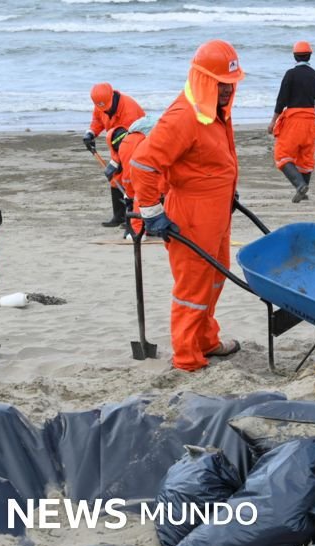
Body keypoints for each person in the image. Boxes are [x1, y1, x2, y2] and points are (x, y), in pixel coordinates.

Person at [128, 40, 244, 372]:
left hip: (217, 212)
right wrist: (152, 212)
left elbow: (215, 160)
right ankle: (186, 357)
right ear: (203, 79)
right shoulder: (184, 116)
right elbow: (143, 164)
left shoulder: (216, 111)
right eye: (221, 84)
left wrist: (231, 191)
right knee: (192, 288)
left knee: (217, 277)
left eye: (231, 84)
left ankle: (206, 340)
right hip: (191, 215)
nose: (227, 90)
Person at [268, 41, 315, 204]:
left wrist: (273, 121)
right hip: (310, 121)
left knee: (282, 155)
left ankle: (300, 185)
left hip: (293, 121)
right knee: (306, 157)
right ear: (310, 56)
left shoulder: (290, 74)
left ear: (294, 56)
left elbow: (281, 100)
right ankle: (303, 191)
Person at [83, 82, 145, 227]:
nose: (106, 109)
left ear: (112, 96)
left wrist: (115, 163)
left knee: (130, 179)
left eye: (107, 106)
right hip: (117, 145)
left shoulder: (129, 111)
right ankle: (119, 217)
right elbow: (97, 121)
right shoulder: (101, 105)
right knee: (115, 178)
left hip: (135, 145)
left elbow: (128, 142)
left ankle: (133, 216)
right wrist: (90, 134)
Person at [104, 115, 159, 238]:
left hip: (148, 146)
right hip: (151, 147)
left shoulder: (126, 142)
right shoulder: (128, 139)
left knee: (137, 192)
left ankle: (136, 229)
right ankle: (137, 229)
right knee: (144, 191)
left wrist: (129, 195)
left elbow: (128, 180)